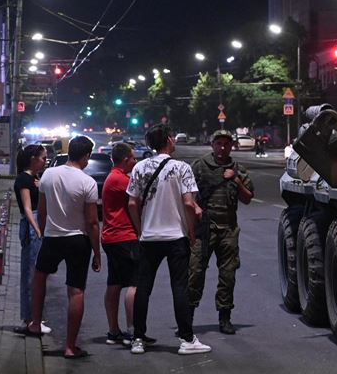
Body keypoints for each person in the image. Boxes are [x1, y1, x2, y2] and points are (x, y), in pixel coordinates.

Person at [126, 124, 211, 355]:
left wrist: (140, 228)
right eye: (172, 136)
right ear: (169, 140)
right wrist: (191, 230)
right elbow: (187, 203)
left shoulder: (139, 167)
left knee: (143, 288)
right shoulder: (182, 168)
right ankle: (186, 340)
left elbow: (132, 203)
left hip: (149, 236)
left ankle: (137, 339)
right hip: (175, 237)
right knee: (179, 287)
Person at [28, 136, 101, 360]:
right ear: (86, 156)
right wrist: (97, 253)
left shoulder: (49, 174)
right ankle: (70, 347)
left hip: (52, 236)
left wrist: (43, 232)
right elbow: (92, 222)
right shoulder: (87, 182)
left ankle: (36, 323)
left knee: (40, 277)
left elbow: (41, 209)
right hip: (78, 240)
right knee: (76, 290)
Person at [189, 130, 254, 335]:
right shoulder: (199, 166)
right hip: (204, 229)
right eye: (219, 143)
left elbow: (247, 198)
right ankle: (187, 317)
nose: (222, 147)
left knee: (228, 275)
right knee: (195, 272)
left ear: (231, 146)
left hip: (228, 229)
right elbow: (186, 194)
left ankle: (224, 317)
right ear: (212, 145)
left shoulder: (237, 169)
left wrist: (236, 180)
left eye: (226, 144)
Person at [101, 142, 140, 345]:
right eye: (133, 158)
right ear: (125, 160)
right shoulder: (121, 179)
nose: (135, 161)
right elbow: (138, 199)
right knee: (134, 284)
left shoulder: (112, 177)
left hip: (111, 237)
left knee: (114, 283)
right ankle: (133, 331)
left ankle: (113, 331)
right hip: (124, 236)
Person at [13, 144, 52, 335]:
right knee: (32, 274)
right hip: (32, 225)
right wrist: (37, 229)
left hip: (37, 223)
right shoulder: (23, 179)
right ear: (33, 158)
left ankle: (31, 317)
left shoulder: (35, 179)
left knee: (35, 273)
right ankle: (31, 320)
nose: (46, 161)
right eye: (43, 158)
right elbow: (28, 208)